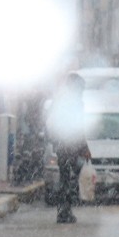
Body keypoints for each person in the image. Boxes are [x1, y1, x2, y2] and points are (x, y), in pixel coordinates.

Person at [47, 73, 91, 224]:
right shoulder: (75, 103)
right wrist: (84, 147)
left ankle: (63, 209)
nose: (82, 92)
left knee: (65, 177)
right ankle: (65, 210)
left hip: (62, 146)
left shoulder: (60, 101)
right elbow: (78, 128)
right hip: (69, 147)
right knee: (69, 179)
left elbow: (51, 122)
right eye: (81, 89)